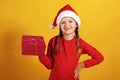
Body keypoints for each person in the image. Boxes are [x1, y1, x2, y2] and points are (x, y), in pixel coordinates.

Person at [38, 4, 104, 80]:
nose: (67, 25)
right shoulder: (53, 41)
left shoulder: (80, 43)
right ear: (59, 26)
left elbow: (99, 57)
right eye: (63, 22)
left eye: (70, 21)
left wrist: (81, 65)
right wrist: (40, 54)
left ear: (76, 24)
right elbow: (49, 66)